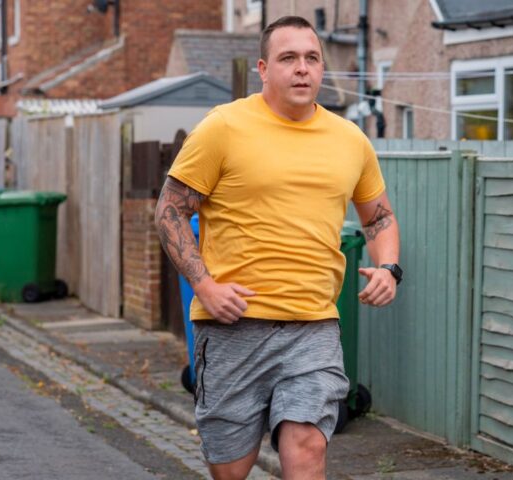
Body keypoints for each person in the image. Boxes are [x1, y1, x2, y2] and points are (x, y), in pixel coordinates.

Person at [155, 15, 402, 480]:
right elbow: (168, 210)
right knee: (230, 468)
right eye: (289, 58)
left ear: (323, 69)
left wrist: (389, 267)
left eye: (312, 58)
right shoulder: (223, 128)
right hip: (234, 324)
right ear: (264, 69)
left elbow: (380, 217)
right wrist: (203, 285)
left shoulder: (350, 140)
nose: (302, 69)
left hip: (313, 325)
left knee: (306, 445)